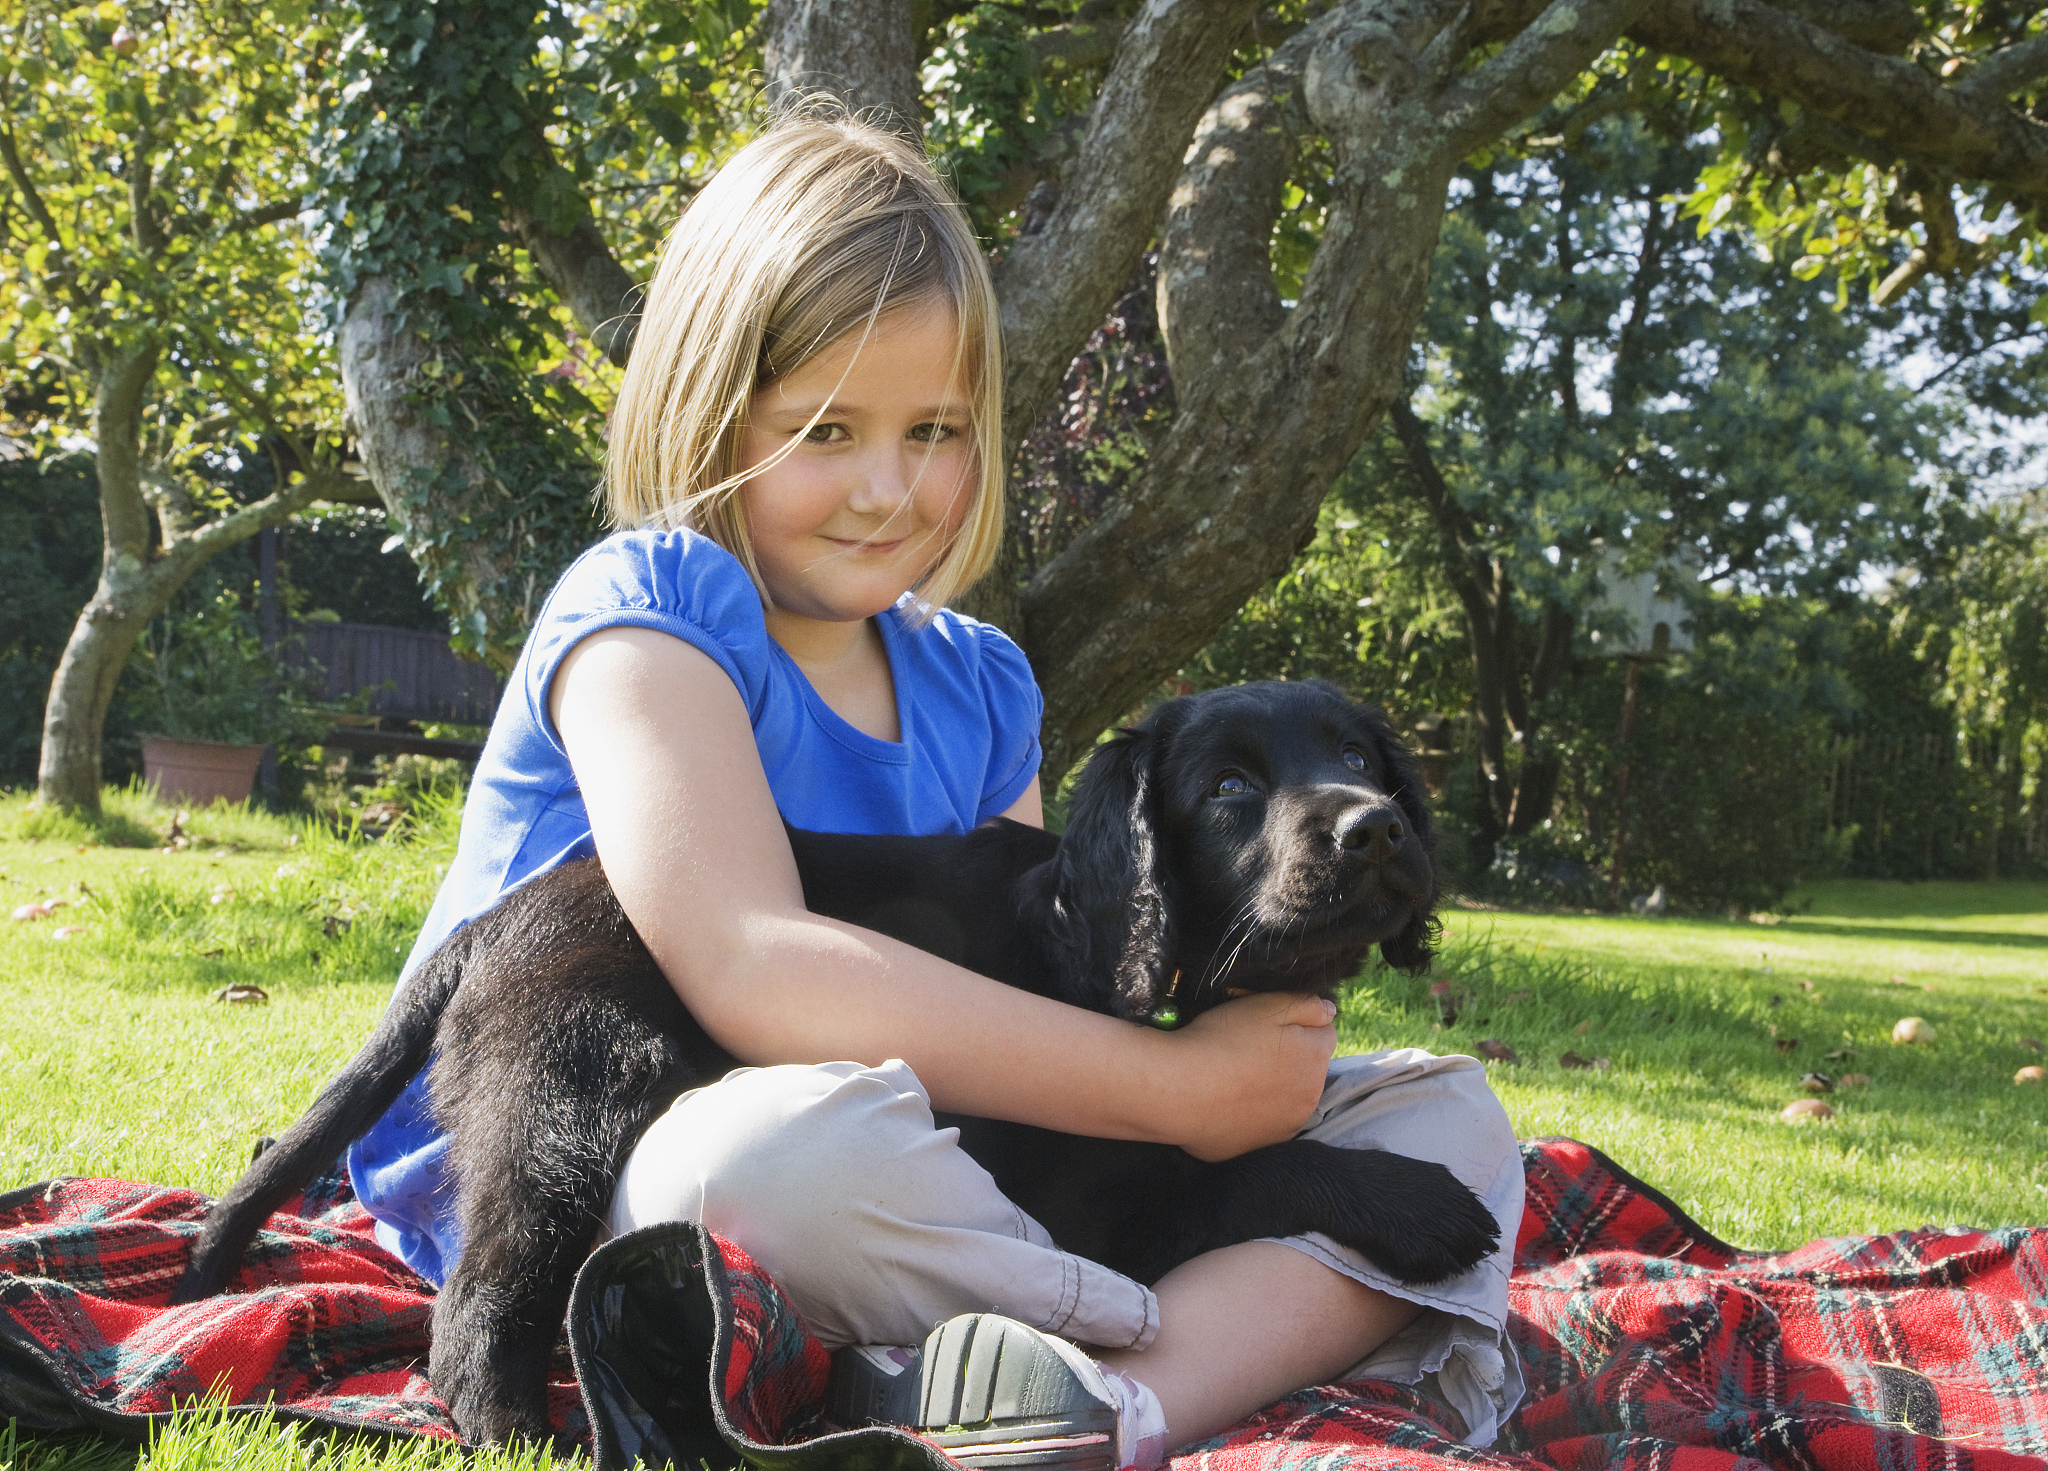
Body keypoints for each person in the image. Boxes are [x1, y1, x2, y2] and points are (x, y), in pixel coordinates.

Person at [346, 107, 1525, 1470]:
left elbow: (1041, 1022)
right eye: (828, 429)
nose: (888, 488)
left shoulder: (980, 683)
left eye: (938, 428)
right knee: (771, 1161)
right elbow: (748, 967)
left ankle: (1085, 1407)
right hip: (611, 1152)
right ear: (709, 409)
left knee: (1446, 1121)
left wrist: (1211, 1068)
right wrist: (1183, 1100)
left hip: (933, 1179)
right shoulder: (646, 613)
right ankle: (1128, 1345)